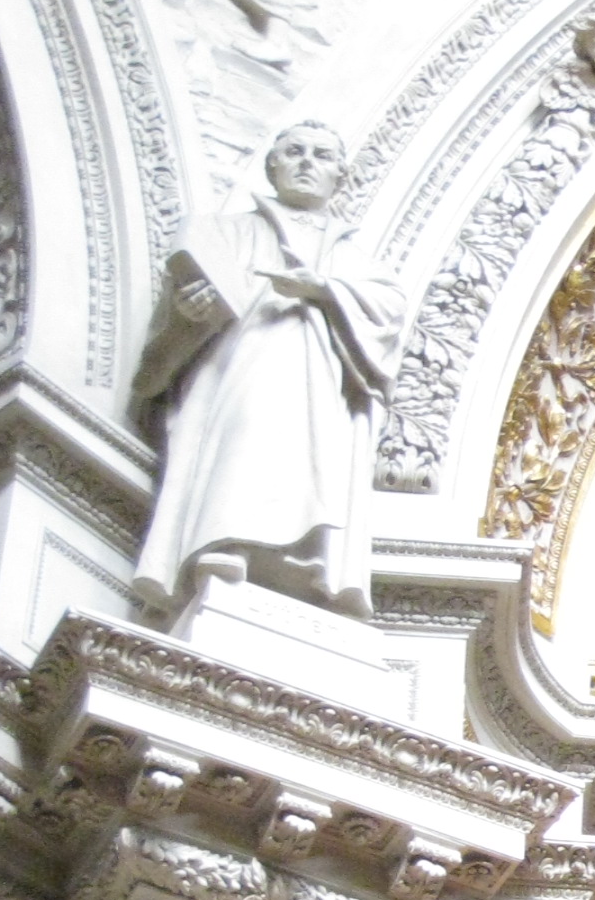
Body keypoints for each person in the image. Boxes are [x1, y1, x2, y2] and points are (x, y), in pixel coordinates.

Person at [132, 121, 404, 617]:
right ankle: (223, 541)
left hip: (320, 382)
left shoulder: (353, 257)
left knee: (308, 455)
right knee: (245, 436)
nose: (306, 162)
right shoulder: (229, 233)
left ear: (339, 177)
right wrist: (189, 314)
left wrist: (322, 290)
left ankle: (303, 561)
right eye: (294, 152)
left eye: (321, 155)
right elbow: (165, 345)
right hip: (242, 363)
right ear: (272, 166)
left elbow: (388, 315)